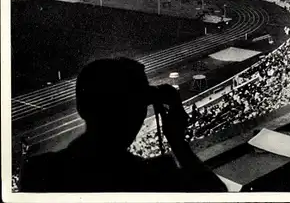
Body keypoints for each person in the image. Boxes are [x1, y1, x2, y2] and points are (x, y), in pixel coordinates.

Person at [20, 57, 227, 192]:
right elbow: (216, 193)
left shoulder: (37, 172)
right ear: (137, 112)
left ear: (81, 108)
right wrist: (178, 143)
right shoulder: (157, 176)